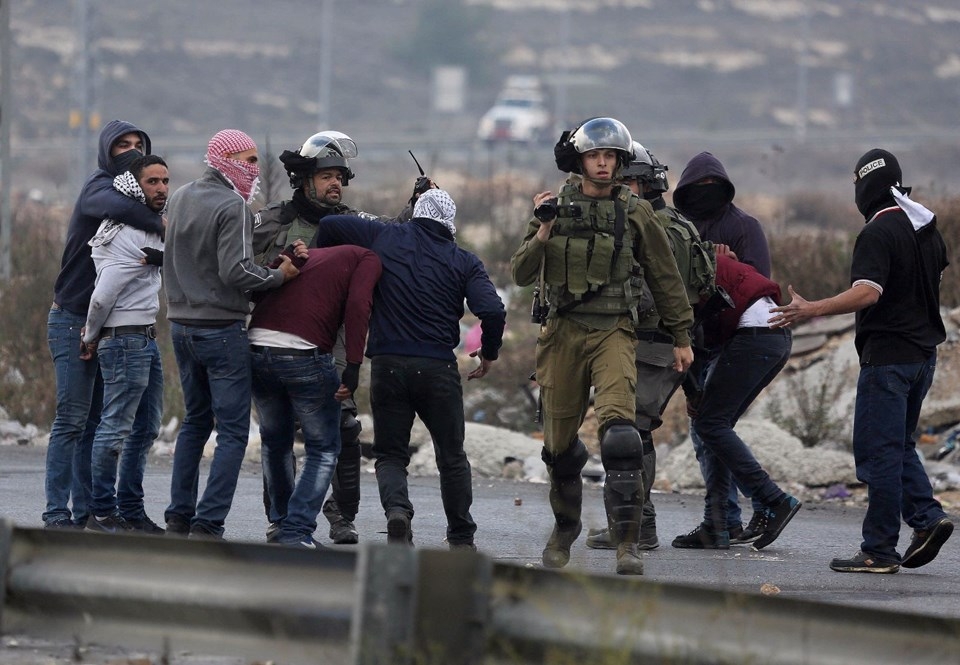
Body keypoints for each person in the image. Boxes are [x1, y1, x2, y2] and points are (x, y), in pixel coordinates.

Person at [511, 118, 694, 575]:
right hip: (562, 333)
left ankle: (627, 543)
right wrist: (543, 229)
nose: (603, 163)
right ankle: (565, 528)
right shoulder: (552, 207)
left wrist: (681, 336)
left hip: (614, 329)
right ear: (580, 160)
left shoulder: (634, 211)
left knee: (622, 436)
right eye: (596, 155)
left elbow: (664, 274)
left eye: (611, 156)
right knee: (557, 448)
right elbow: (518, 272)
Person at [770, 148, 954, 573]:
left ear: (865, 184)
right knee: (900, 446)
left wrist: (812, 309)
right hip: (923, 358)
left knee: (879, 455)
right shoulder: (926, 228)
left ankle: (879, 549)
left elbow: (868, 291)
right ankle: (927, 519)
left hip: (888, 359)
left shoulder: (878, 232)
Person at [313, 188, 505, 551]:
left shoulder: (385, 236)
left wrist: (329, 275)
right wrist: (489, 351)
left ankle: (398, 512)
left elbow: (330, 224)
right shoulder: (463, 260)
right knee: (451, 456)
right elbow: (492, 311)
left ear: (417, 212)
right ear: (449, 222)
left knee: (390, 454)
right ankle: (461, 537)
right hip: (438, 369)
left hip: (387, 366)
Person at [253, 131, 420, 545]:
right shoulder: (274, 219)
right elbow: (239, 264)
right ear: (304, 178)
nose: (335, 185)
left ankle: (341, 516)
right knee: (278, 436)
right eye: (327, 176)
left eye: (340, 178)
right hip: (278, 339)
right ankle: (283, 517)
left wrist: (415, 204)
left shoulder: (350, 223)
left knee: (343, 430)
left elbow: (392, 233)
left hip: (334, 343)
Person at [163, 129, 300, 539]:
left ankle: (178, 516)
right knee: (234, 431)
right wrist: (279, 274)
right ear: (226, 161)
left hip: (180, 326)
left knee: (194, 423)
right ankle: (208, 522)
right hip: (220, 330)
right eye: (249, 160)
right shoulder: (233, 206)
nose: (256, 169)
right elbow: (235, 271)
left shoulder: (181, 195)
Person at [586, 141, 715, 552]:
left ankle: (637, 526)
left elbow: (658, 293)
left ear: (642, 184)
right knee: (631, 431)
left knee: (629, 432)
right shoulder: (673, 223)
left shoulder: (654, 228)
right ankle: (634, 523)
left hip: (653, 343)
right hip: (655, 342)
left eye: (624, 182)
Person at [44, 120, 165, 529]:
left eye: (138, 145)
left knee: (98, 424)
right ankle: (57, 513)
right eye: (122, 146)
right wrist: (163, 223)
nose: (130, 151)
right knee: (72, 420)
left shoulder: (139, 195)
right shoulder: (100, 187)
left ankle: (87, 512)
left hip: (110, 323)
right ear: (105, 152)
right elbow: (118, 208)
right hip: (74, 317)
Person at [249, 242, 381, 548]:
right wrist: (354, 364)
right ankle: (297, 530)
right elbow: (360, 304)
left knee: (276, 442)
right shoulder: (367, 257)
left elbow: (259, 291)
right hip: (303, 352)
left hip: (256, 347)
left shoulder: (309, 254)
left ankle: (281, 525)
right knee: (323, 448)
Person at [671, 150, 771, 544]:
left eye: (713, 188)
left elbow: (759, 284)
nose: (706, 194)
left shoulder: (744, 226)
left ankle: (734, 515)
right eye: (699, 188)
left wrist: (727, 269)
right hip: (694, 341)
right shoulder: (681, 227)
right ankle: (724, 518)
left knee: (711, 428)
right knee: (707, 430)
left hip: (734, 341)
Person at [674, 252, 800, 550]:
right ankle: (719, 524)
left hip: (754, 337)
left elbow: (685, 335)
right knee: (714, 425)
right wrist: (696, 391)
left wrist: (693, 391)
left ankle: (772, 499)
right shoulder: (694, 253)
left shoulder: (670, 263)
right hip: (771, 335)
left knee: (710, 423)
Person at [80, 155, 169, 534]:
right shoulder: (127, 233)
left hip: (145, 338)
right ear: (135, 186)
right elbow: (102, 296)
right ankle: (102, 512)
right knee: (115, 428)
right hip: (123, 340)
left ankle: (131, 510)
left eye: (165, 181)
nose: (162, 188)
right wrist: (89, 336)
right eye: (152, 182)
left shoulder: (149, 230)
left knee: (146, 427)